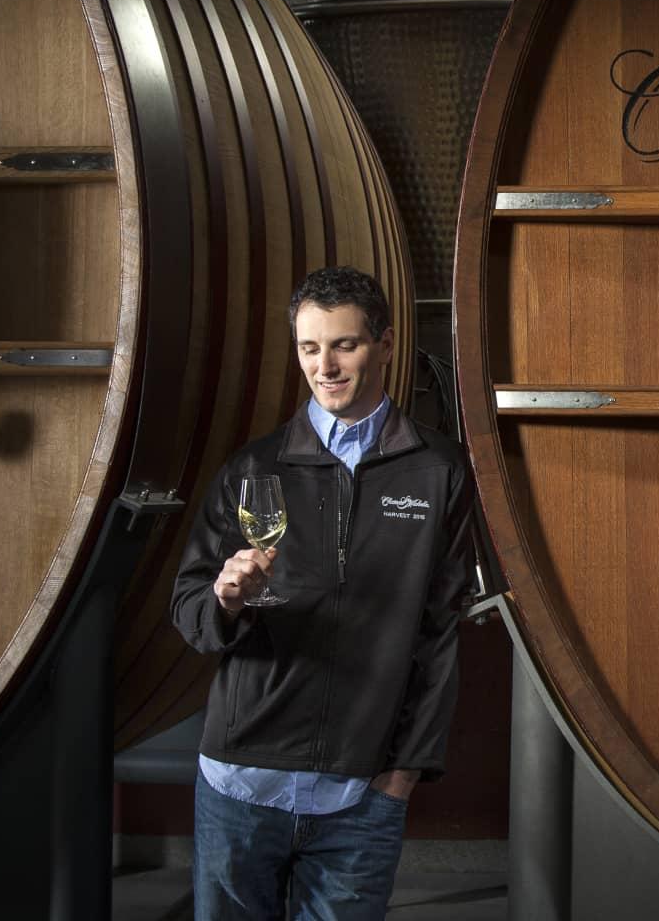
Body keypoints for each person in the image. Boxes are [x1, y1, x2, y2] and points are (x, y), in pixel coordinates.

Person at [172, 266, 476, 921]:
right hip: (239, 784)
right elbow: (191, 609)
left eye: (344, 345)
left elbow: (441, 635)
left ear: (386, 344)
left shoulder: (437, 472)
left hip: (360, 794)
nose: (326, 366)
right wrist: (224, 598)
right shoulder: (256, 467)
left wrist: (402, 776)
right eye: (310, 348)